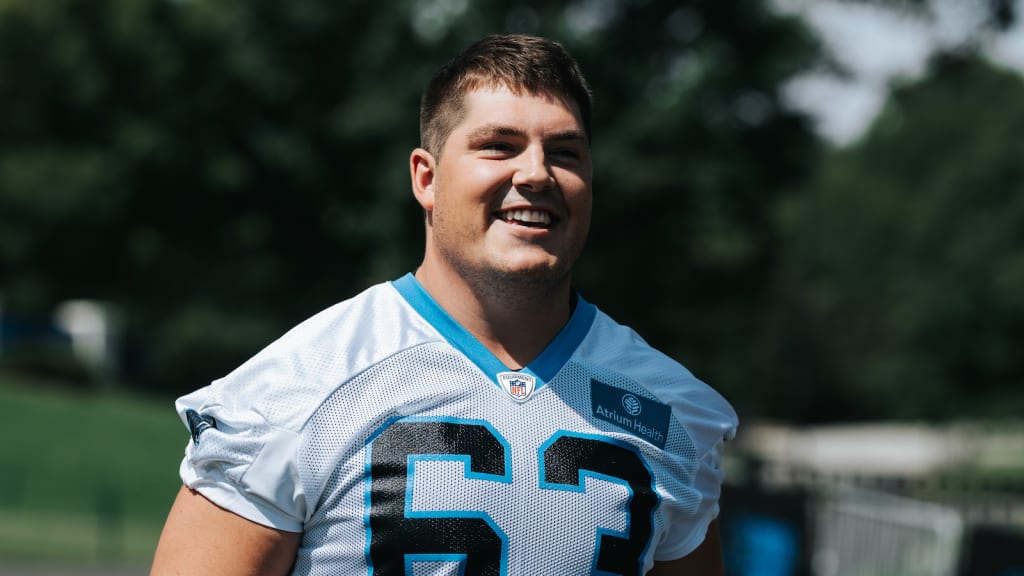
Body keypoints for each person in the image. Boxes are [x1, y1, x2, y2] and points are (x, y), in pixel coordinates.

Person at [151, 34, 737, 576]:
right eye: (498, 146)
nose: (536, 173)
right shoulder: (297, 386)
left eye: (565, 152)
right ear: (425, 179)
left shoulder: (672, 409)